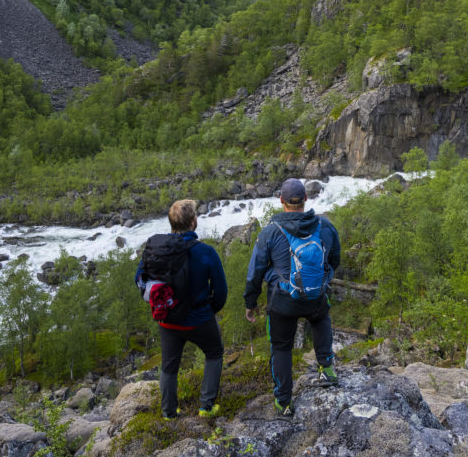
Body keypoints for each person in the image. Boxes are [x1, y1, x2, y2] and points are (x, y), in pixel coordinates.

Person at [244, 178, 340, 416]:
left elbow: (255, 272)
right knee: (320, 318)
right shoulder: (325, 227)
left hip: (283, 302)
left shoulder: (270, 232)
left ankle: (284, 402)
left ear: (281, 201)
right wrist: (323, 280)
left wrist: (251, 303)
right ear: (306, 199)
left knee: (281, 348)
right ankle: (326, 369)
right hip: (315, 295)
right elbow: (334, 259)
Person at [135, 199, 227, 420]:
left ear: (171, 222)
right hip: (199, 318)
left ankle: (168, 412)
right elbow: (221, 292)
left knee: (168, 366)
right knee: (214, 353)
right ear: (193, 221)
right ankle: (206, 407)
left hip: (167, 320)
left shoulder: (156, 250)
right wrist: (208, 311)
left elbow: (140, 279)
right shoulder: (206, 252)